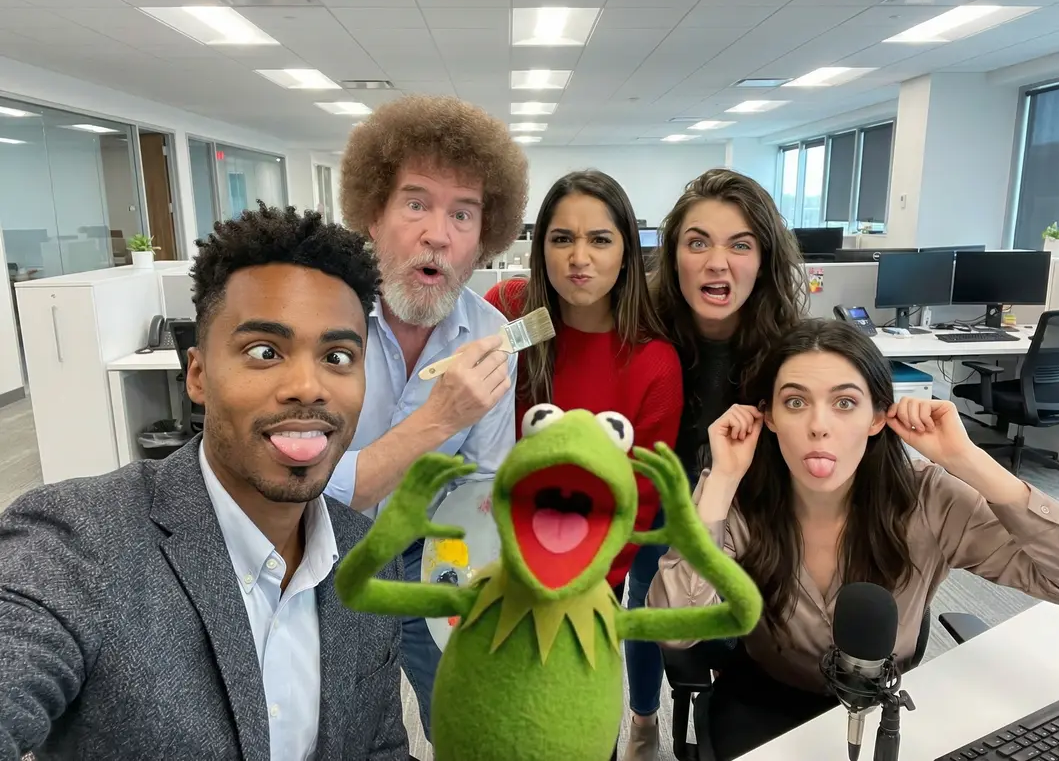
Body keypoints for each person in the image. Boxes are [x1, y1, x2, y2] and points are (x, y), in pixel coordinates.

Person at [0, 205, 410, 760]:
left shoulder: (369, 561)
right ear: (197, 374)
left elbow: (378, 747)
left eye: (338, 356)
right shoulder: (77, 544)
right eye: (265, 352)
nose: (309, 387)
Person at [648, 318, 1059, 758]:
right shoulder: (736, 496)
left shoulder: (927, 497)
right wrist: (721, 480)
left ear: (877, 418)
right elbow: (676, 629)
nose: (819, 426)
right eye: (795, 402)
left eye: (844, 403)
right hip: (767, 701)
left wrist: (968, 460)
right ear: (770, 418)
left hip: (882, 711)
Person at [324, 94, 529, 738]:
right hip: (320, 562)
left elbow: (482, 481)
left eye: (462, 213)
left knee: (466, 722)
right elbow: (312, 484)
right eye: (416, 203)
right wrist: (439, 418)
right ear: (375, 216)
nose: (437, 232)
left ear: (483, 237)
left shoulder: (491, 333)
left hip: (430, 558)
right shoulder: (327, 319)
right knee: (333, 729)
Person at [622, 168, 807, 759]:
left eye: (740, 244)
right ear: (673, 253)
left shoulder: (790, 347)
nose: (716, 262)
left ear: (764, 258)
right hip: (658, 498)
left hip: (748, 511)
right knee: (648, 593)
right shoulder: (640, 327)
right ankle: (645, 716)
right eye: (697, 241)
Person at [484, 170, 682, 584]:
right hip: (488, 554)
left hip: (585, 578)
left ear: (627, 252)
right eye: (561, 239)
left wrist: (575, 585)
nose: (579, 257)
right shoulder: (507, 309)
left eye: (600, 239)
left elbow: (636, 504)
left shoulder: (654, 362)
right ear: (540, 249)